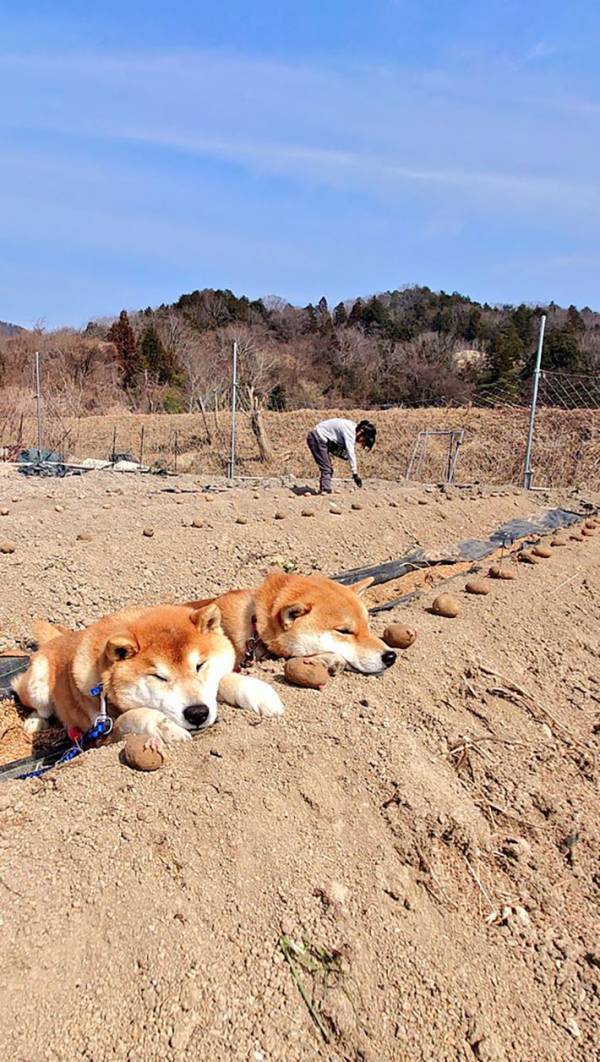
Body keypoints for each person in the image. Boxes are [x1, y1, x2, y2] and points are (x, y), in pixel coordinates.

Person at [306, 417, 376, 494]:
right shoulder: (350, 432)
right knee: (327, 469)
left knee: (331, 466)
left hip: (321, 438)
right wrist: (355, 474)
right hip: (317, 438)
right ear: (361, 432)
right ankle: (325, 491)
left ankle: (325, 488)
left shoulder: (351, 427)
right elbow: (351, 453)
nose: (360, 442)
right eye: (363, 440)